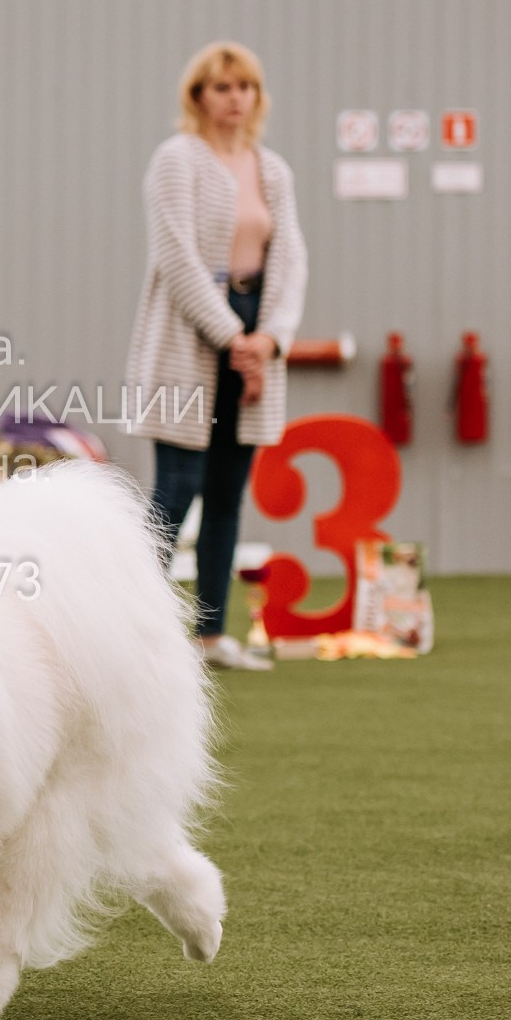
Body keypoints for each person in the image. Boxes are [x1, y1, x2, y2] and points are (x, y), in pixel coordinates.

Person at [125, 42, 307, 670]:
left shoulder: (273, 169)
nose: (236, 98)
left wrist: (269, 340)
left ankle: (210, 637)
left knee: (229, 495)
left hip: (255, 337)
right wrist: (234, 339)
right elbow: (176, 259)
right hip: (191, 338)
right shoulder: (176, 161)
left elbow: (290, 261)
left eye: (246, 87)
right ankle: (132, 636)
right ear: (197, 96)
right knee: (177, 489)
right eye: (222, 87)